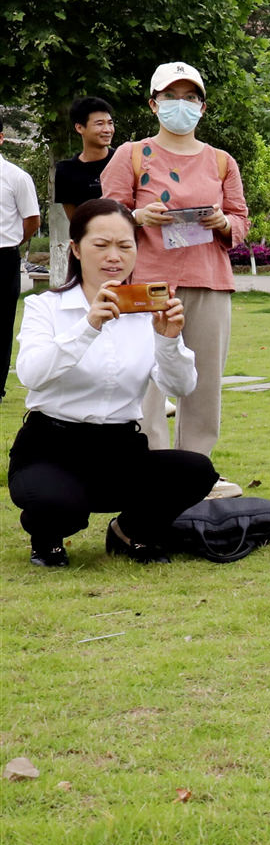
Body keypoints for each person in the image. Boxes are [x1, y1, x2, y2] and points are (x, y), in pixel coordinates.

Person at [10, 198, 218, 567]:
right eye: (100, 245)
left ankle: (129, 533)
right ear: (75, 248)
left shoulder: (145, 313)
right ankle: (47, 539)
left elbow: (181, 386)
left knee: (196, 471)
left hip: (120, 447)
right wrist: (88, 326)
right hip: (51, 445)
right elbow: (31, 374)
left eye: (125, 246)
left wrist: (169, 340)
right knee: (58, 504)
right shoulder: (46, 307)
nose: (114, 256)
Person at [98, 61, 246, 488]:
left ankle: (196, 472)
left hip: (208, 279)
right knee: (145, 378)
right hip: (147, 282)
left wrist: (223, 223)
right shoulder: (132, 154)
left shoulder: (221, 161)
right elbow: (104, 218)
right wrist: (138, 215)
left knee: (203, 380)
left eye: (190, 97)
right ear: (153, 103)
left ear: (202, 107)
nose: (180, 105)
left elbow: (240, 218)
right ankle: (151, 469)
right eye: (170, 97)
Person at [0, 125, 41, 402]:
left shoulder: (16, 176)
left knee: (1, 325)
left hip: (3, 255)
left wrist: (14, 241)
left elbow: (32, 220)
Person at [54, 98, 116, 222]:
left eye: (110, 123)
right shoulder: (66, 171)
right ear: (79, 128)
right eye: (99, 124)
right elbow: (75, 221)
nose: (107, 129)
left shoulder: (123, 160)